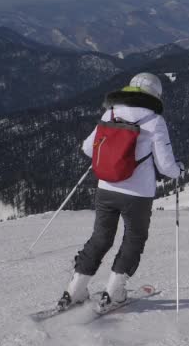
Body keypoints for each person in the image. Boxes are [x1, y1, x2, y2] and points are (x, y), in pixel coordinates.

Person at [60, 72, 182, 310]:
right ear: (156, 95)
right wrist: (180, 170)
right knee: (133, 239)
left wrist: (111, 156)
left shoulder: (111, 113)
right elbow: (167, 167)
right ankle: (114, 293)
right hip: (138, 194)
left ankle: (74, 291)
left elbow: (87, 148)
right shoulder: (155, 121)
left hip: (106, 187)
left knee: (100, 238)